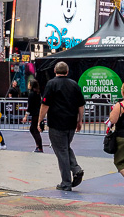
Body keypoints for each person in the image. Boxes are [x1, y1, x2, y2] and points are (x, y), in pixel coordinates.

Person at [38, 61, 86, 192]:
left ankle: (66, 182)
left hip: (56, 123)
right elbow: (81, 105)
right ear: (67, 71)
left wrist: (39, 120)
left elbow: (45, 105)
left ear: (55, 71)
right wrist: (80, 120)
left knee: (61, 151)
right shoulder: (74, 84)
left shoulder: (51, 84)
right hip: (71, 123)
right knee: (64, 147)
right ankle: (76, 169)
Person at [22, 79, 44, 152]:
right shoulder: (37, 93)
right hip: (37, 113)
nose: (28, 85)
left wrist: (25, 116)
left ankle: (39, 147)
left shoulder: (31, 94)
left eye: (29, 84)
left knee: (34, 130)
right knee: (33, 129)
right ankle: (38, 146)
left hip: (35, 114)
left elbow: (30, 106)